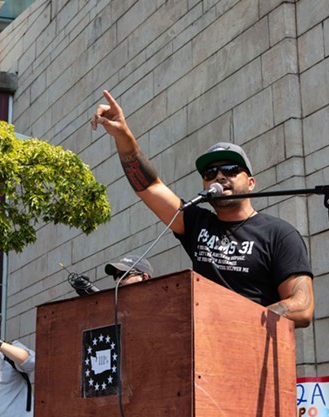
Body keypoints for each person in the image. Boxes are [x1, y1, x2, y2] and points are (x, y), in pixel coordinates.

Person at [91, 90, 314, 327]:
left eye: (230, 169)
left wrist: (236, 320)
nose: (219, 176)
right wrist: (123, 135)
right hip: (203, 352)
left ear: (251, 182)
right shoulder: (198, 224)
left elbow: (302, 306)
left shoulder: (279, 234)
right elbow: (149, 186)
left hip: (251, 351)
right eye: (210, 173)